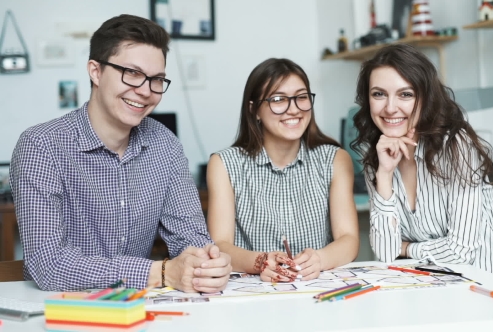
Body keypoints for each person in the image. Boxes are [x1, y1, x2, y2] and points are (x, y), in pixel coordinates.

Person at [9, 14, 231, 292]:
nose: (145, 91)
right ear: (95, 71)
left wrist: (206, 263)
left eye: (157, 79)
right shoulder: (41, 146)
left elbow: (192, 238)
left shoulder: (166, 145)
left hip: (136, 309)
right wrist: (161, 272)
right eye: (133, 73)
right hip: (60, 310)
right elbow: (48, 265)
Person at [351, 44, 493, 289]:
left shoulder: (456, 146)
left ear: (425, 97)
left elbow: (461, 251)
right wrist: (384, 175)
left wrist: (407, 248)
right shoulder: (378, 157)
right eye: (379, 94)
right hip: (444, 289)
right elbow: (386, 253)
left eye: (405, 94)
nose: (390, 108)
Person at [207, 58, 359, 282]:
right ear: (254, 110)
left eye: (301, 97)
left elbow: (349, 239)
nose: (293, 109)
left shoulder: (335, 159)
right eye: (278, 99)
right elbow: (220, 245)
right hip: (254, 294)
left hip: (317, 290)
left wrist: (320, 258)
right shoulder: (223, 164)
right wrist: (260, 262)